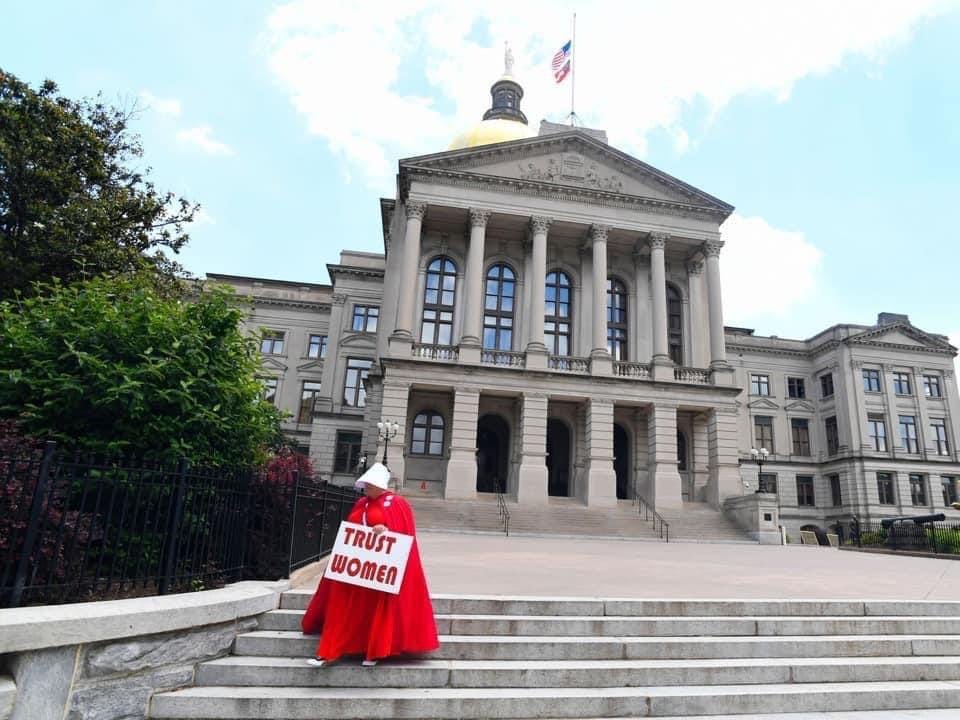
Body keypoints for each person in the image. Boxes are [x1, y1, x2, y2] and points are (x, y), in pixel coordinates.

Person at [300, 462, 439, 667]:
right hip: (357, 569)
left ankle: (372, 651)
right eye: (365, 484)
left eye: (370, 484)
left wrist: (386, 530)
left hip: (378, 570)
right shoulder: (361, 504)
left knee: (374, 611)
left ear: (381, 485)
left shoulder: (398, 504)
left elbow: (403, 536)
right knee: (346, 607)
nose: (366, 488)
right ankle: (329, 651)